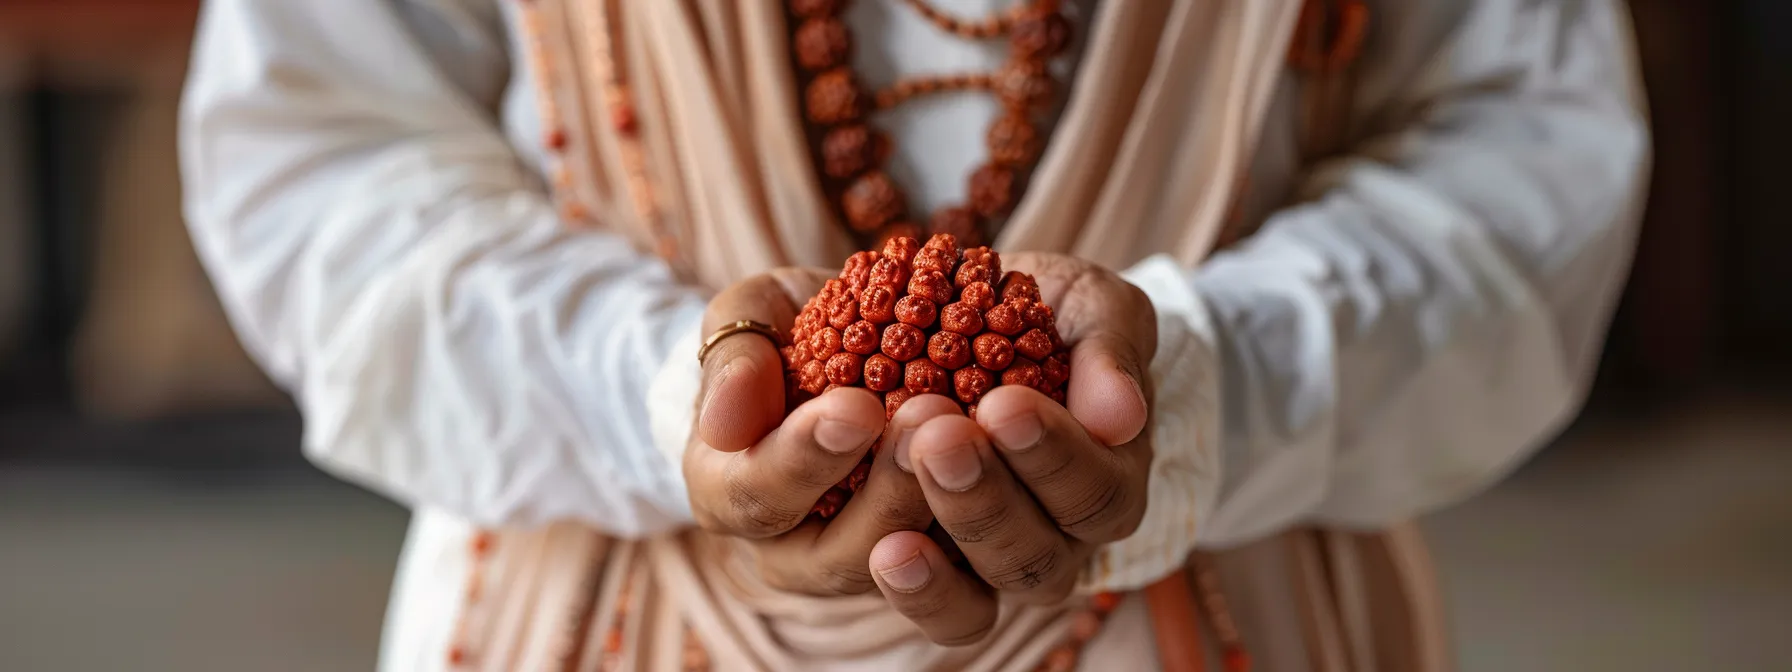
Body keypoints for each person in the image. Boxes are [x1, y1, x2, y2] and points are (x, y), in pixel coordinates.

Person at [179, 0, 1649, 670]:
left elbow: (1525, 148)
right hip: (585, 615)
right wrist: (659, 394)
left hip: (1245, 603)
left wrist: (1202, 387)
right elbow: (320, 157)